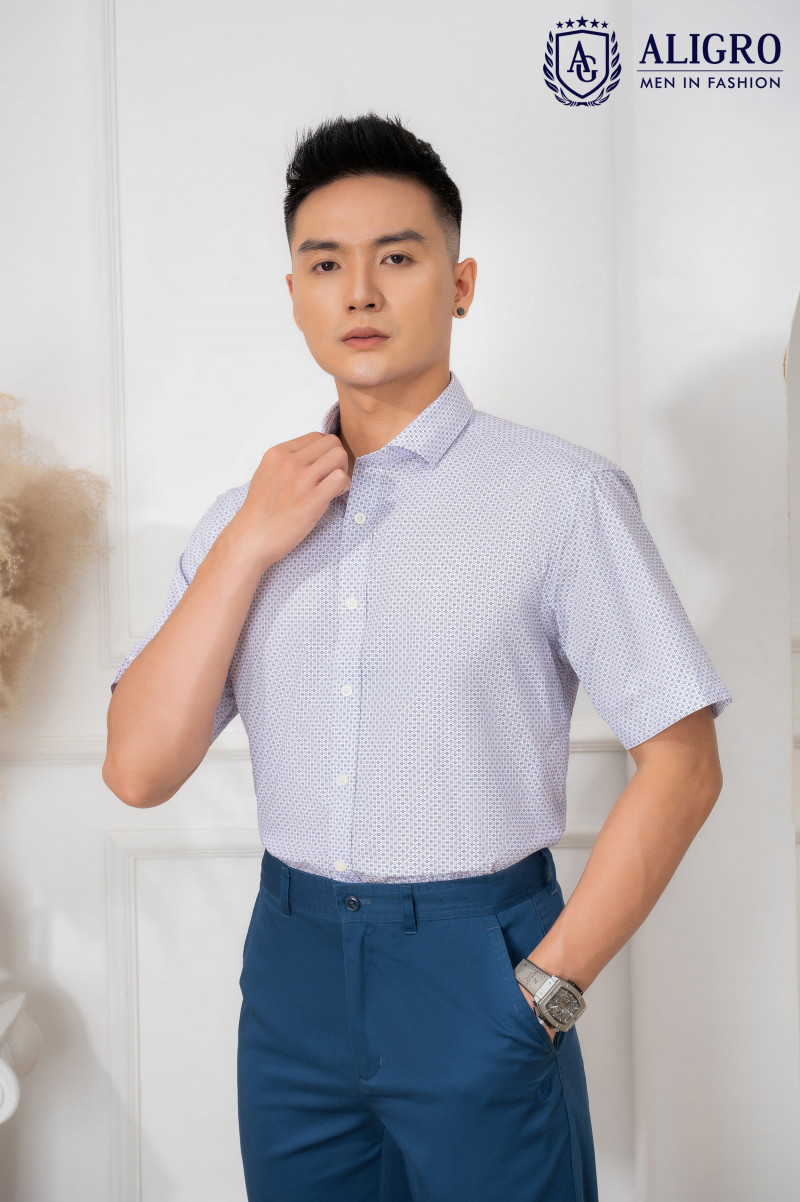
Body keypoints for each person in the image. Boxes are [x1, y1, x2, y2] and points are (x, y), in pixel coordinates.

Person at [103, 111, 733, 1202]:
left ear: (460, 283)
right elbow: (137, 770)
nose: (359, 292)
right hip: (291, 976)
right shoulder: (241, 519)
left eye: (396, 257)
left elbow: (682, 765)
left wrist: (544, 991)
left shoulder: (560, 497)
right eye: (325, 265)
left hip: (477, 965)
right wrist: (249, 541)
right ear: (293, 294)